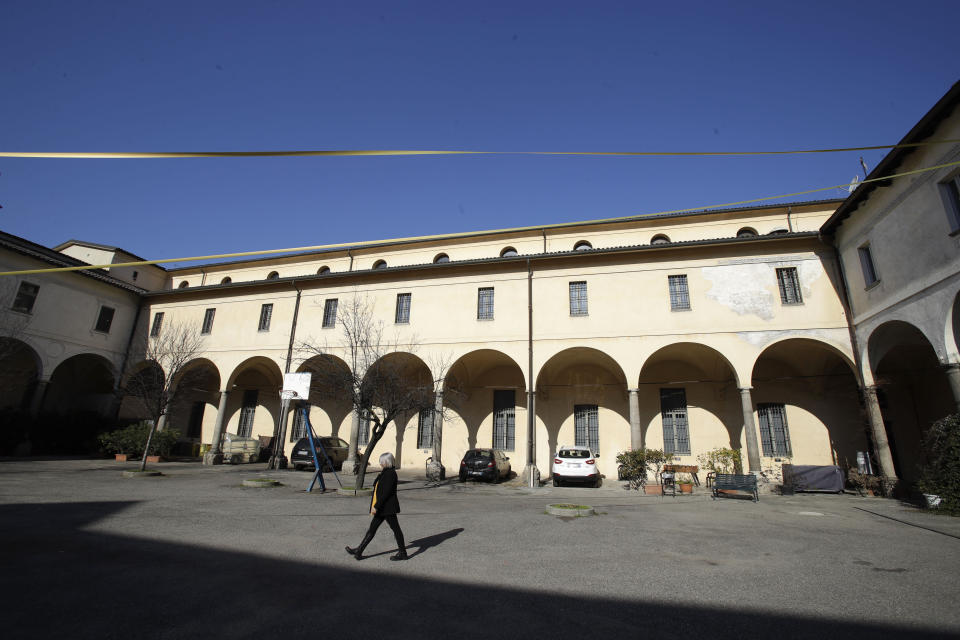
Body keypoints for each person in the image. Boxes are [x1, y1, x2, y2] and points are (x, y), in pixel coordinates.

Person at [345, 452, 408, 561]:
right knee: (372, 529)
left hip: (387, 508)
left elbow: (386, 493)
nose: (380, 463)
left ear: (387, 462)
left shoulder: (391, 474)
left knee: (396, 529)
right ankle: (359, 551)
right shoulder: (385, 472)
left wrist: (376, 506)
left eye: (382, 461)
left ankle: (403, 553)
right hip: (383, 507)